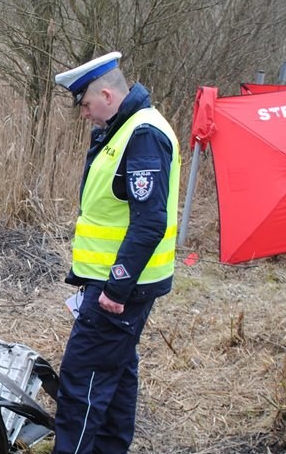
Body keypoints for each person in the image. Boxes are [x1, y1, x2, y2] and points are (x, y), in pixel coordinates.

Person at [51, 52, 180, 454]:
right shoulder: (122, 129)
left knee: (81, 385)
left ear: (107, 94)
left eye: (86, 105)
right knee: (118, 376)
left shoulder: (142, 135)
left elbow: (149, 221)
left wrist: (115, 289)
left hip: (120, 289)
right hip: (119, 284)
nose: (84, 114)